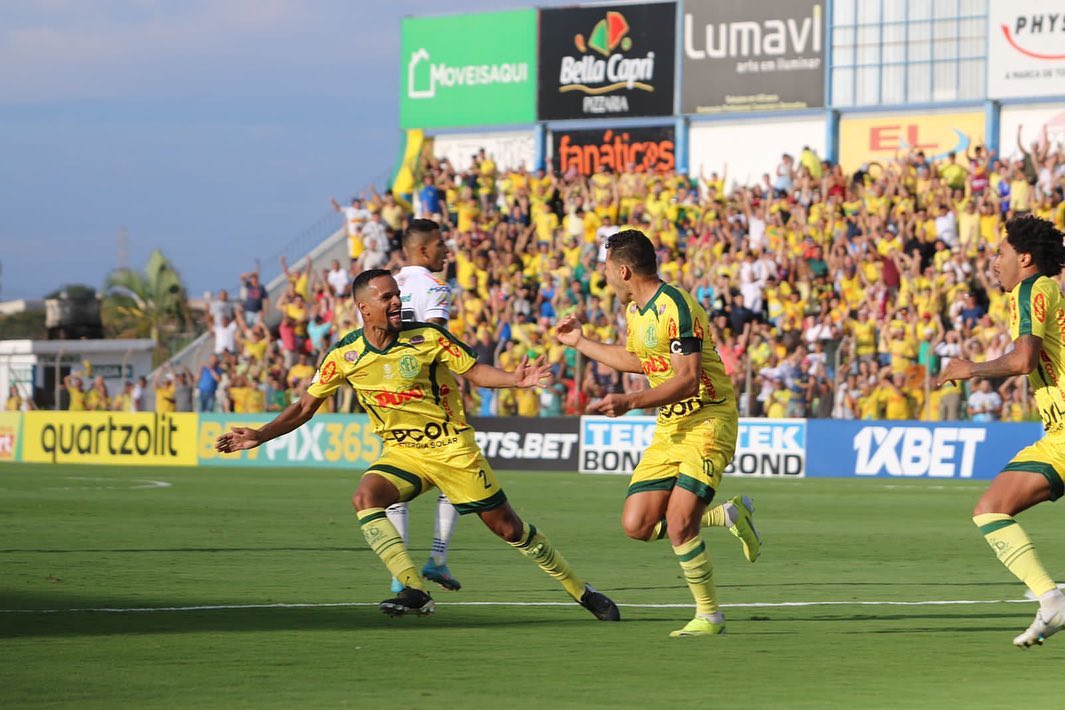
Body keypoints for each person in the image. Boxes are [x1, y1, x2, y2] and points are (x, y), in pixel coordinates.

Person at [216, 269, 619, 620]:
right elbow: (306, 405)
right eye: (386, 297)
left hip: (451, 449)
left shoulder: (427, 337)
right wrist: (261, 434)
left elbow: (476, 371)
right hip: (403, 454)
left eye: (398, 295)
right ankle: (414, 590)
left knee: (509, 528)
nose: (396, 302)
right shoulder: (345, 355)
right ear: (364, 308)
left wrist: (517, 379)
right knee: (365, 497)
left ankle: (582, 591)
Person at [555, 230, 761, 637]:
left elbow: (686, 380)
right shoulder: (635, 311)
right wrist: (580, 342)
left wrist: (630, 402)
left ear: (624, 270)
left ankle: (710, 615)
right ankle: (729, 515)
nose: (605, 277)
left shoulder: (677, 307)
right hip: (671, 427)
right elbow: (638, 360)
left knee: (681, 522)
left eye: (607, 270)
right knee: (638, 525)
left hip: (708, 420)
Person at [937, 215, 1065, 648]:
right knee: (991, 508)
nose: (994, 262)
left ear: (1024, 257)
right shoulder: (1044, 291)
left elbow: (1023, 360)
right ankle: (1051, 600)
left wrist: (968, 368)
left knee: (991, 509)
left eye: (1001, 252)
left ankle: (1051, 599)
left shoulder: (1031, 289)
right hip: (1057, 435)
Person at [387, 218, 462, 593]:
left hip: (388, 397)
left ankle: (400, 575)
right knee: (454, 479)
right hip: (429, 397)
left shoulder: (383, 286)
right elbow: (435, 339)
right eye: (440, 245)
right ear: (422, 250)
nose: (446, 251)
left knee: (394, 483)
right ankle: (437, 559)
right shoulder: (434, 287)